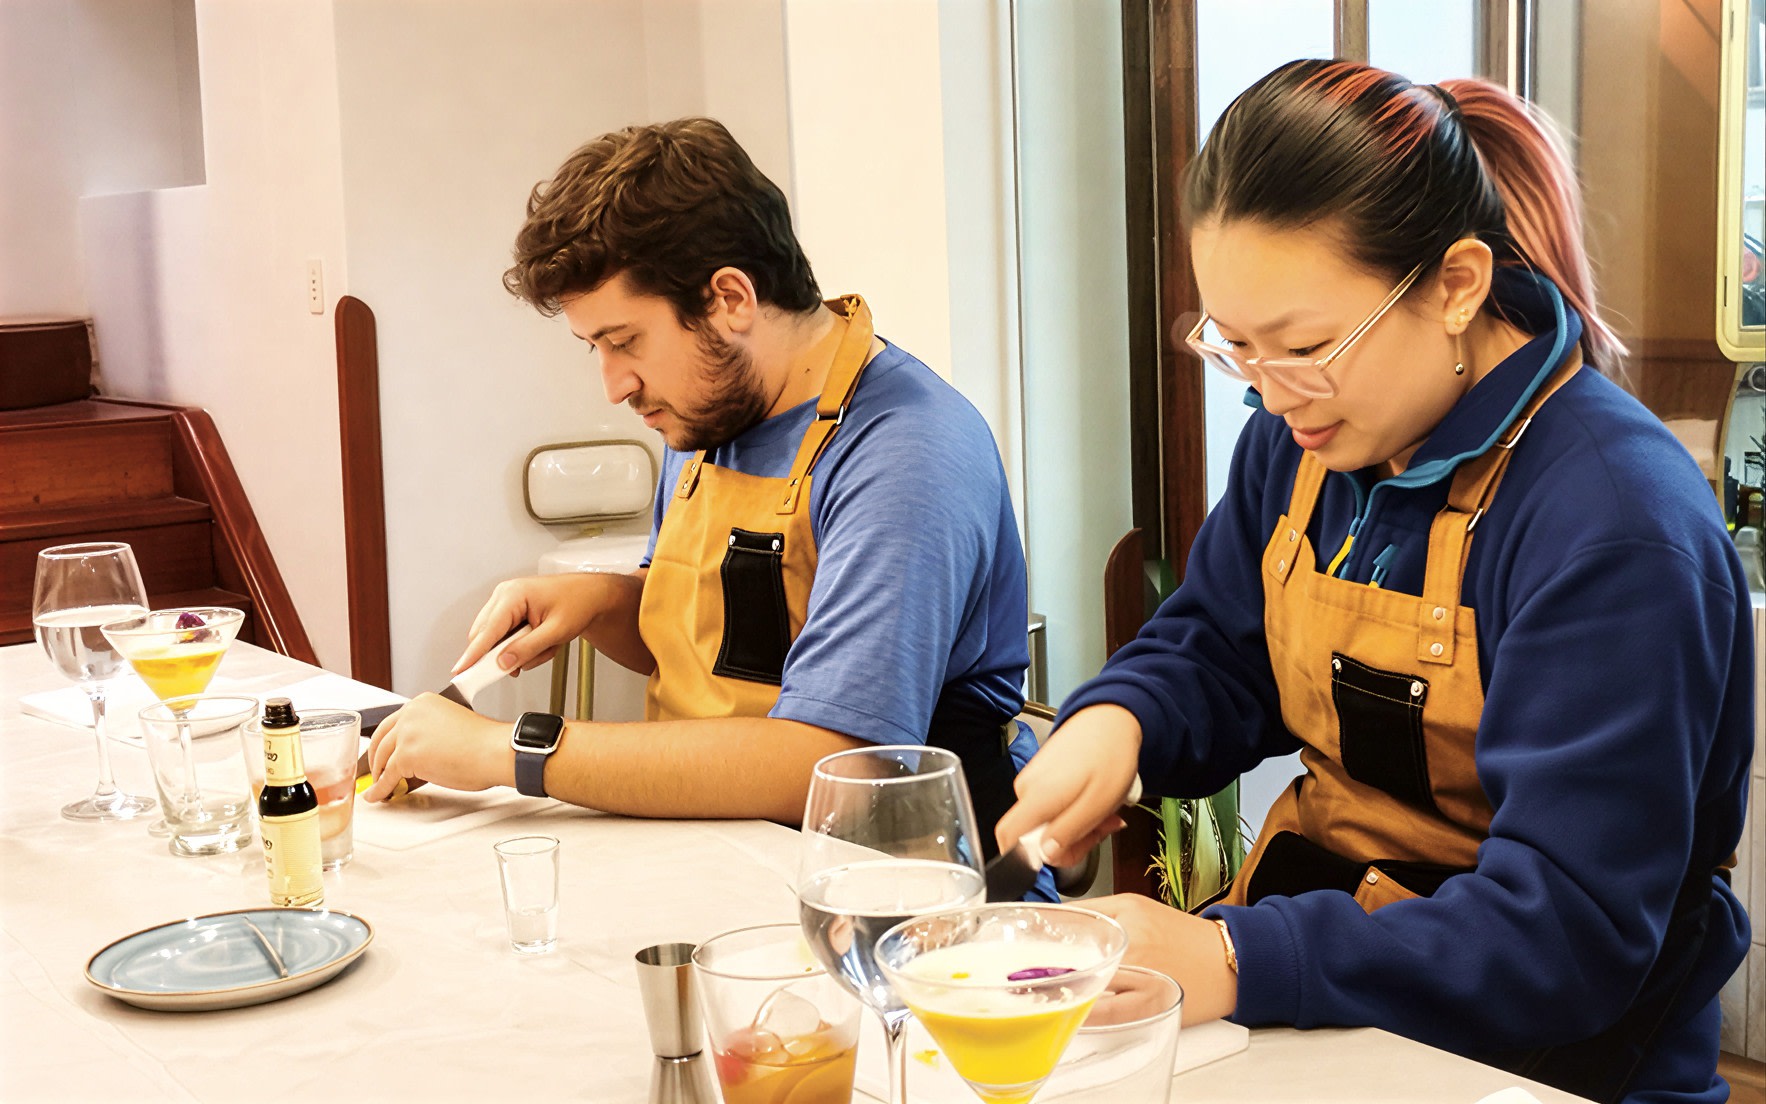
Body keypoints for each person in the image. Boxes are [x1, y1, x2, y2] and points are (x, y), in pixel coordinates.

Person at [996, 60, 1754, 1103]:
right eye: (1236, 347)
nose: (1268, 394)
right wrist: (1118, 721)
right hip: (1328, 1016)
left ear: (1454, 286)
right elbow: (1220, 646)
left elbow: (1565, 932)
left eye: (1304, 346)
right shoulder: (1310, 438)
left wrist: (1231, 961)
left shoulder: (1611, 525)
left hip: (1556, 1064)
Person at [363, 118, 1041, 876]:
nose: (615, 384)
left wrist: (509, 749)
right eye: (597, 349)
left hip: (903, 899)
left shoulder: (907, 452)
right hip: (724, 853)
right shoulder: (710, 415)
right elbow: (718, 646)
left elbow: (831, 765)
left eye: (626, 342)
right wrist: (603, 602)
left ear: (730, 299)